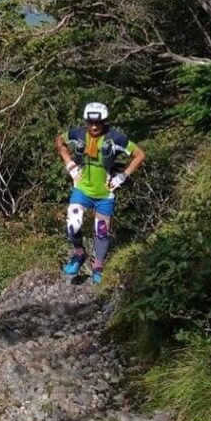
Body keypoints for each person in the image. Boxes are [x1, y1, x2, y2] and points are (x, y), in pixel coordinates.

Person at [55, 102, 145, 285]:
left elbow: (139, 154)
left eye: (98, 122)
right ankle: (79, 254)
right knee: (73, 224)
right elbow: (59, 141)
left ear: (105, 121)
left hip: (105, 194)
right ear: (86, 121)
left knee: (102, 232)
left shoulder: (116, 138)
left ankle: (98, 267)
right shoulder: (78, 134)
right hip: (82, 189)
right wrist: (69, 164)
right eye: (90, 122)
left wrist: (122, 176)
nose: (94, 126)